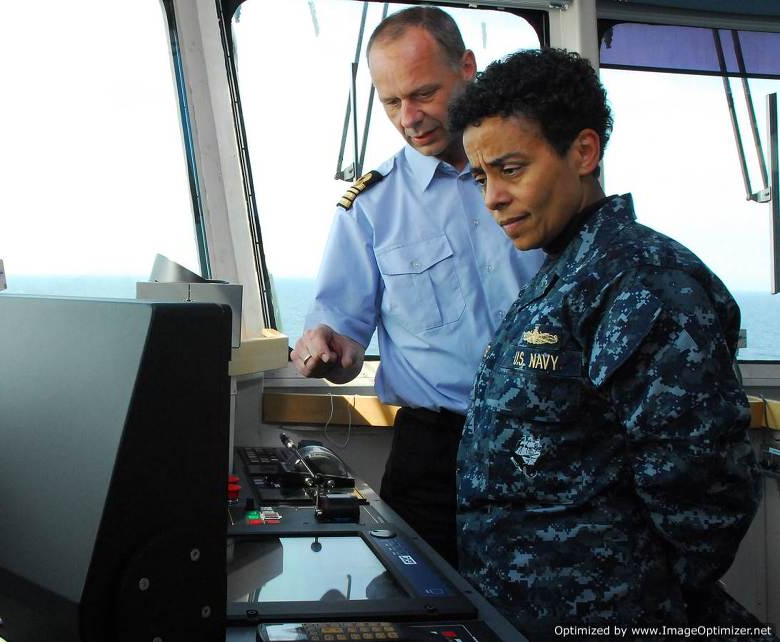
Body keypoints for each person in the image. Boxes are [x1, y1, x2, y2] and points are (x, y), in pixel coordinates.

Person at [449, 48, 762, 638]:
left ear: (584, 152)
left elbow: (703, 489)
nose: (491, 196)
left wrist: (642, 594)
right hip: (526, 612)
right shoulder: (565, 273)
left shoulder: (642, 280)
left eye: (511, 169)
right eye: (482, 176)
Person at [290, 7, 543, 567]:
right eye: (391, 102)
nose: (411, 117)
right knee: (420, 614)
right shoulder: (372, 206)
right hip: (434, 455)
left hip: (550, 438)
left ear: (468, 68)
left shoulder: (538, 178)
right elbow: (345, 340)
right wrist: (326, 347)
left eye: (425, 93)